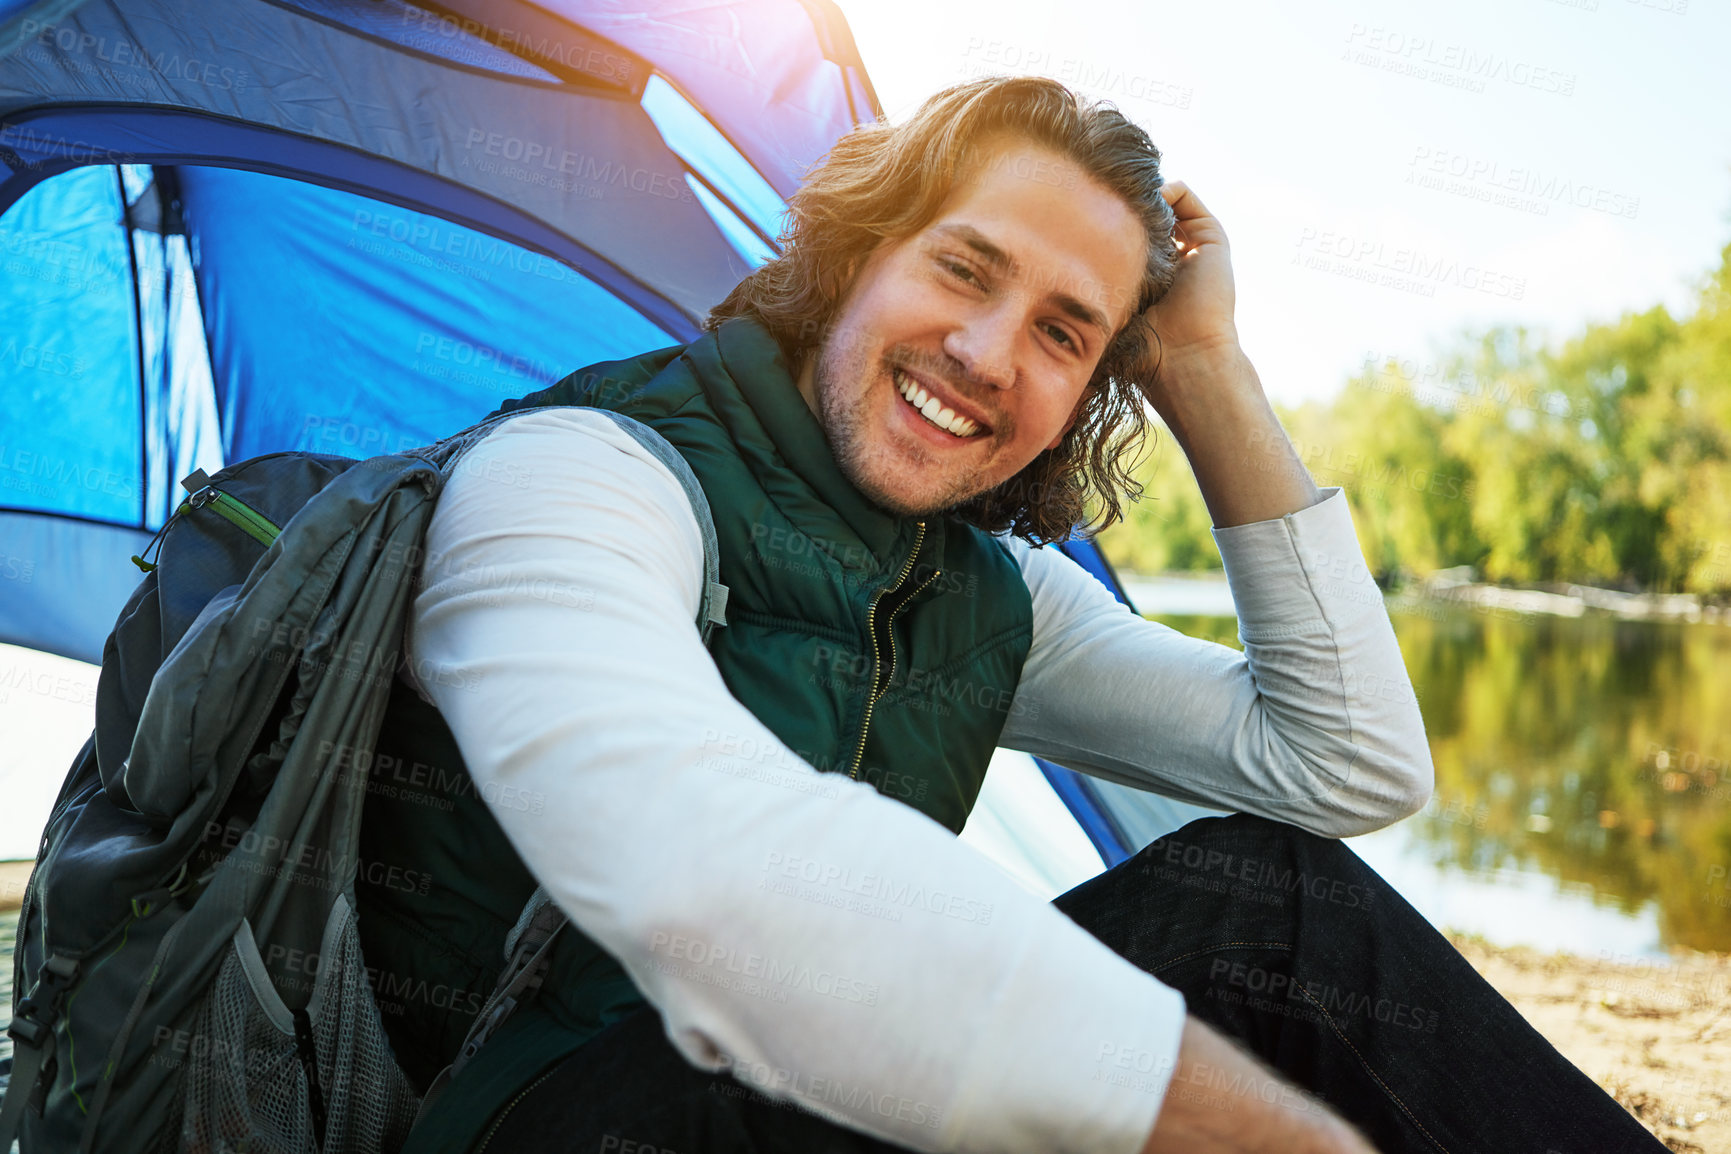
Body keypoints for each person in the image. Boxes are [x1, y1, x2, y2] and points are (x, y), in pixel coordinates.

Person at [353, 76, 1667, 1154]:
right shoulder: (585, 476)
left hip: (814, 1106)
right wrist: (1250, 1124)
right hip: (540, 1121)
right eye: (964, 267)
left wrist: (1202, 370)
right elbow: (708, 868)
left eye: (1064, 334)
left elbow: (1346, 761)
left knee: (1282, 905)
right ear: (861, 253)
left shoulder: (978, 592)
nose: (986, 354)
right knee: (1240, 941)